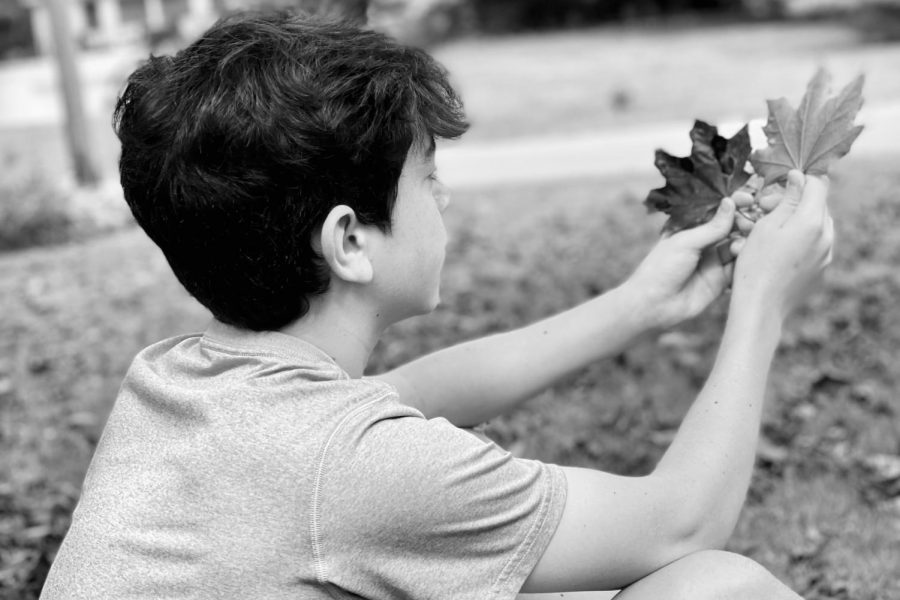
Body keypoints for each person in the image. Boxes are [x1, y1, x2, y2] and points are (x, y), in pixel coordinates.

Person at [40, 11, 833, 600]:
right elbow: (679, 524)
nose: (444, 195)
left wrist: (637, 306)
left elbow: (417, 394)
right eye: (426, 176)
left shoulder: (179, 382)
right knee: (716, 588)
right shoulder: (352, 471)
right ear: (350, 241)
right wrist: (761, 304)